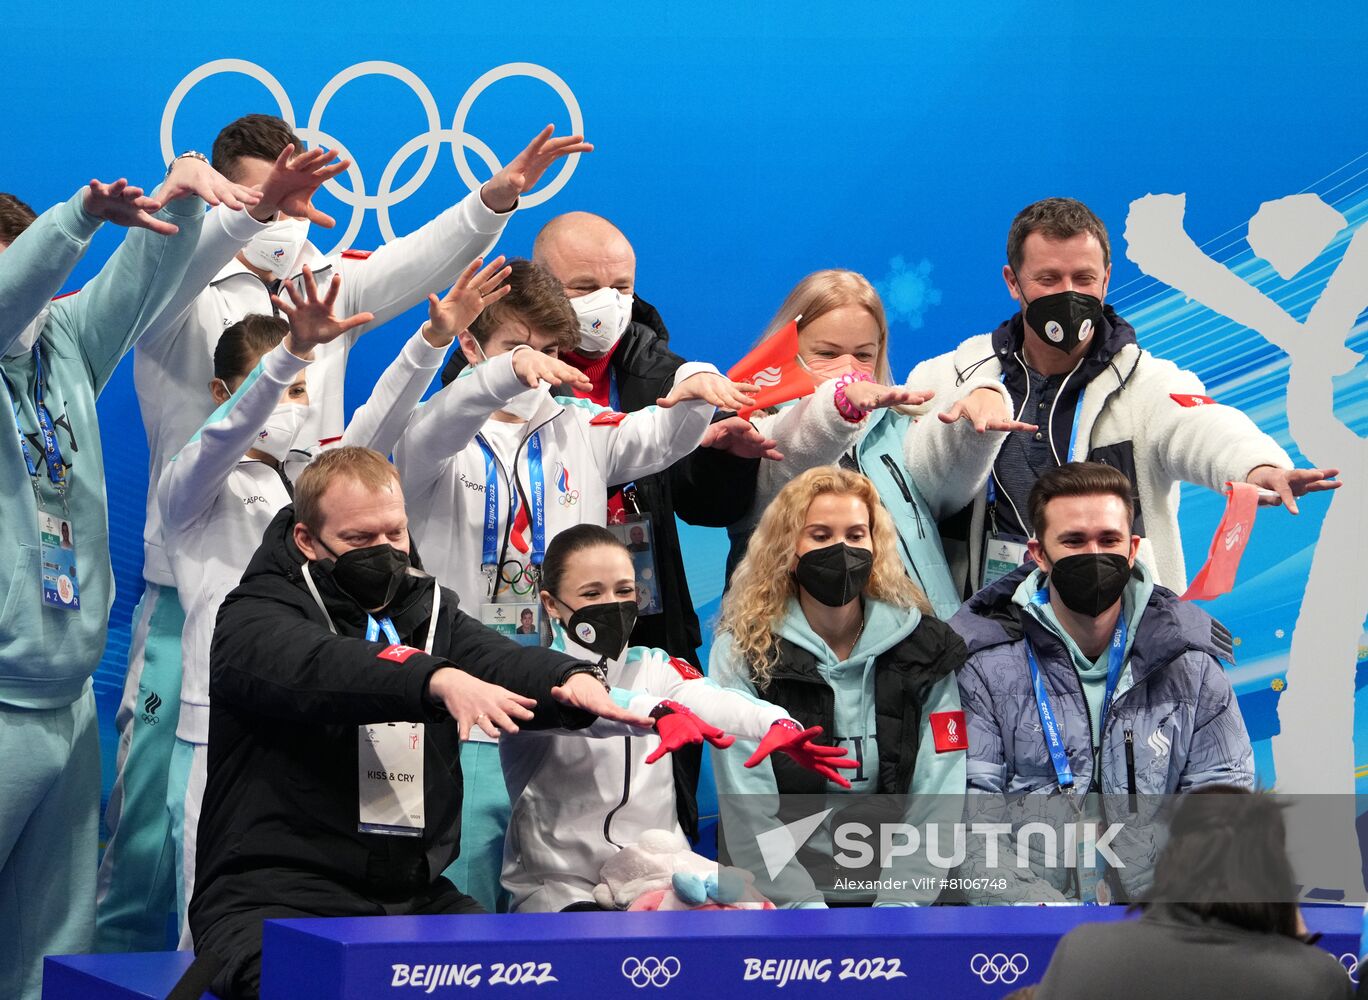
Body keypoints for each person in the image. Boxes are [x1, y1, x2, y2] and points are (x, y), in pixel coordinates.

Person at [99, 113, 586, 951]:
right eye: (269, 200)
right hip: (194, 609)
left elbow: (401, 309)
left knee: (327, 845)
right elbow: (211, 422)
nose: (290, 221)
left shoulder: (320, 290)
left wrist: (495, 200)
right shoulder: (178, 291)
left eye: (300, 204)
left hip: (329, 616)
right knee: (151, 855)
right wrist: (271, 307)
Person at [187, 447, 653, 1000]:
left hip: (411, 894)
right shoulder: (252, 615)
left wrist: (570, 679)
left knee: (522, 982)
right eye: (361, 540)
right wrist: (432, 678)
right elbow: (322, 665)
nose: (384, 552)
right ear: (307, 540)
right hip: (272, 897)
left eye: (395, 534)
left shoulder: (427, 609)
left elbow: (500, 658)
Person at [393, 256, 755, 909]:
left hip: (559, 710)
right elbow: (442, 420)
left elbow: (661, 431)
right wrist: (503, 374)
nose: (537, 367)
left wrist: (698, 380)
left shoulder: (580, 427)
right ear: (471, 344)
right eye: (515, 349)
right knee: (463, 908)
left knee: (551, 901)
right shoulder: (431, 433)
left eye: (550, 351)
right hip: (462, 709)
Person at [0, 158, 255, 1000]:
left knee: (50, 951)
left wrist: (183, 204)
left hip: (66, 695)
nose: (40, 292)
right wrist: (74, 215)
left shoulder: (62, 342)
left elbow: (139, 278)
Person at [903, 197, 1339, 596]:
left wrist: (1257, 465)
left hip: (1117, 628)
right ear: (1013, 282)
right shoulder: (950, 375)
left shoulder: (1149, 383)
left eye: (1084, 277)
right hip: (985, 624)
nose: (1068, 293)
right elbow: (903, 482)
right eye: (1048, 278)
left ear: (1107, 279)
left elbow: (1203, 428)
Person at [501, 524, 855, 912]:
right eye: (591, 593)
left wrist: (776, 722)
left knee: (746, 917)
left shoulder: (655, 666)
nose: (613, 604)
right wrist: (658, 712)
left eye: (624, 591)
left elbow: (708, 698)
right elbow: (590, 705)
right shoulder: (529, 677)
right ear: (551, 604)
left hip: (659, 872)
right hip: (561, 889)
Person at [952, 462, 1255, 905]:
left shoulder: (1193, 665)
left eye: (1108, 540)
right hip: (1029, 930)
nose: (1093, 553)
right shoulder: (984, 667)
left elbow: (1225, 812)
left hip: (1161, 930)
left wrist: (1159, 920)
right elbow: (968, 825)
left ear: (1132, 549)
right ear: (1038, 553)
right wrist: (1050, 919)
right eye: (1073, 541)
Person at [711, 467, 970, 907]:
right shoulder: (741, 653)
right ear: (789, 550)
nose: (841, 550)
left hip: (902, 894)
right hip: (784, 897)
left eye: (855, 535)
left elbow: (939, 793)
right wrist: (806, 914)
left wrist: (899, 908)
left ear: (875, 545)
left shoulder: (927, 648)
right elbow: (746, 806)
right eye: (820, 535)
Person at [723, 269, 1034, 617]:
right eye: (827, 353)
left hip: (922, 645)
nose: (847, 368)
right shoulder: (754, 433)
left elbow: (944, 481)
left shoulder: (897, 424)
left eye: (863, 355)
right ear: (790, 348)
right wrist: (837, 405)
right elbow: (788, 456)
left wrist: (978, 409)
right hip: (802, 655)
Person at [1034, 788, 1353, 1000]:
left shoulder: (1083, 952)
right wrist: (1296, 943)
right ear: (1274, 870)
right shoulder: (1313, 979)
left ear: (1173, 857)